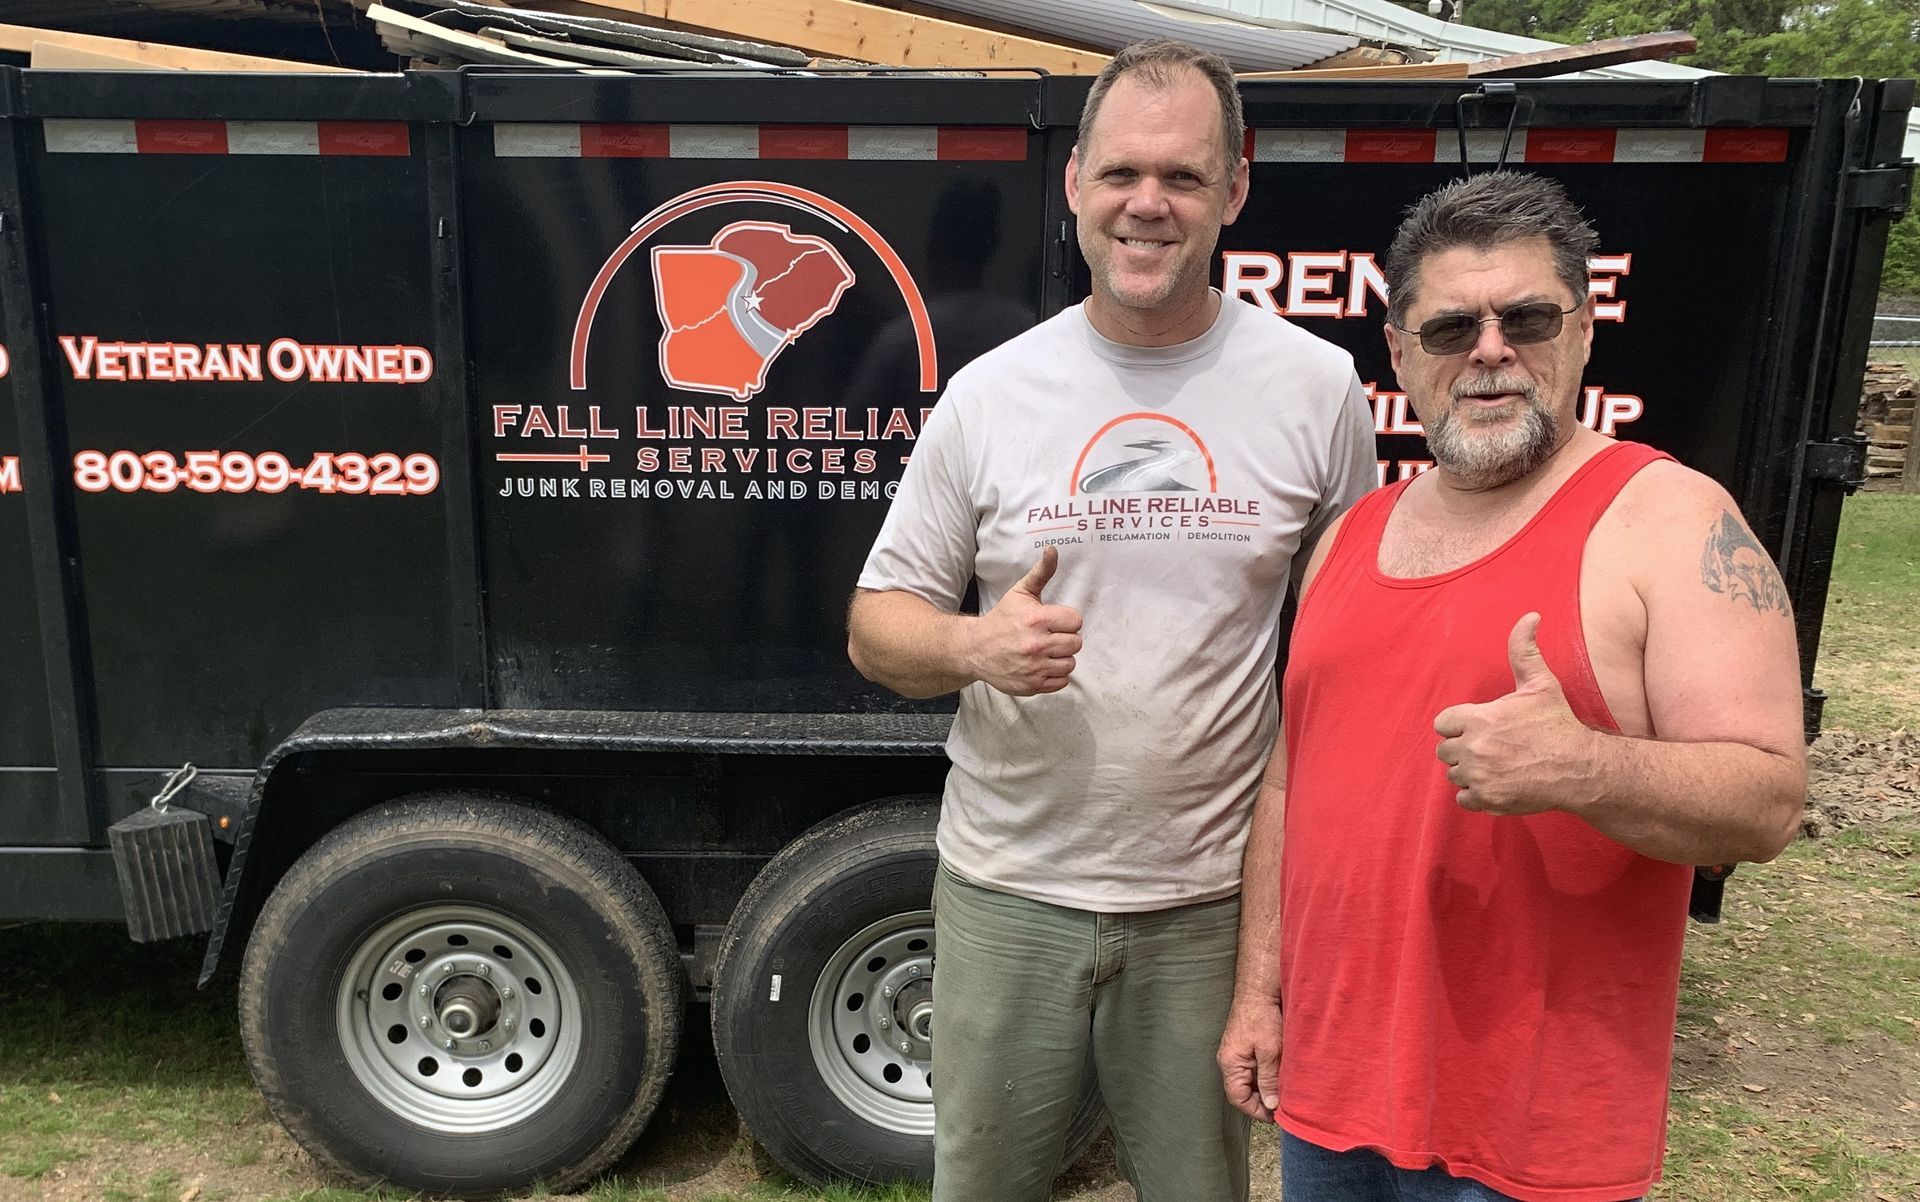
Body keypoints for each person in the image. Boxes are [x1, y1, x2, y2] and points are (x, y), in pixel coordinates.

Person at [847, 37, 1376, 1202]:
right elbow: (874, 626)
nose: (1150, 202)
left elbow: (1351, 647)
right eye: (1125, 172)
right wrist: (974, 646)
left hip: (1208, 905)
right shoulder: (990, 395)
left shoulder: (1317, 389)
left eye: (1185, 176)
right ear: (1076, 181)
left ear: (1234, 190)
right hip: (1007, 889)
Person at [1217, 171, 1807, 1202]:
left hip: (1528, 1133)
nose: (1490, 350)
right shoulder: (1350, 536)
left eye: (1526, 318)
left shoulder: (1669, 519)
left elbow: (1766, 802)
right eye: (1451, 329)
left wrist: (1585, 767)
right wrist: (1259, 992)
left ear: (1581, 330)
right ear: (1401, 353)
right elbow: (1287, 784)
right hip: (1331, 1102)